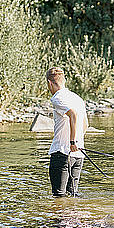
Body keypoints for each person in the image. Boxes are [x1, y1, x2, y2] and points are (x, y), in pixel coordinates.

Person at [46, 67, 89, 197]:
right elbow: (85, 124)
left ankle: (59, 217)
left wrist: (72, 141)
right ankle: (74, 217)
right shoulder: (77, 98)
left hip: (62, 153)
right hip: (78, 155)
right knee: (72, 196)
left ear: (49, 83)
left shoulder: (57, 97)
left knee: (58, 196)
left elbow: (73, 114)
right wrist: (77, 143)